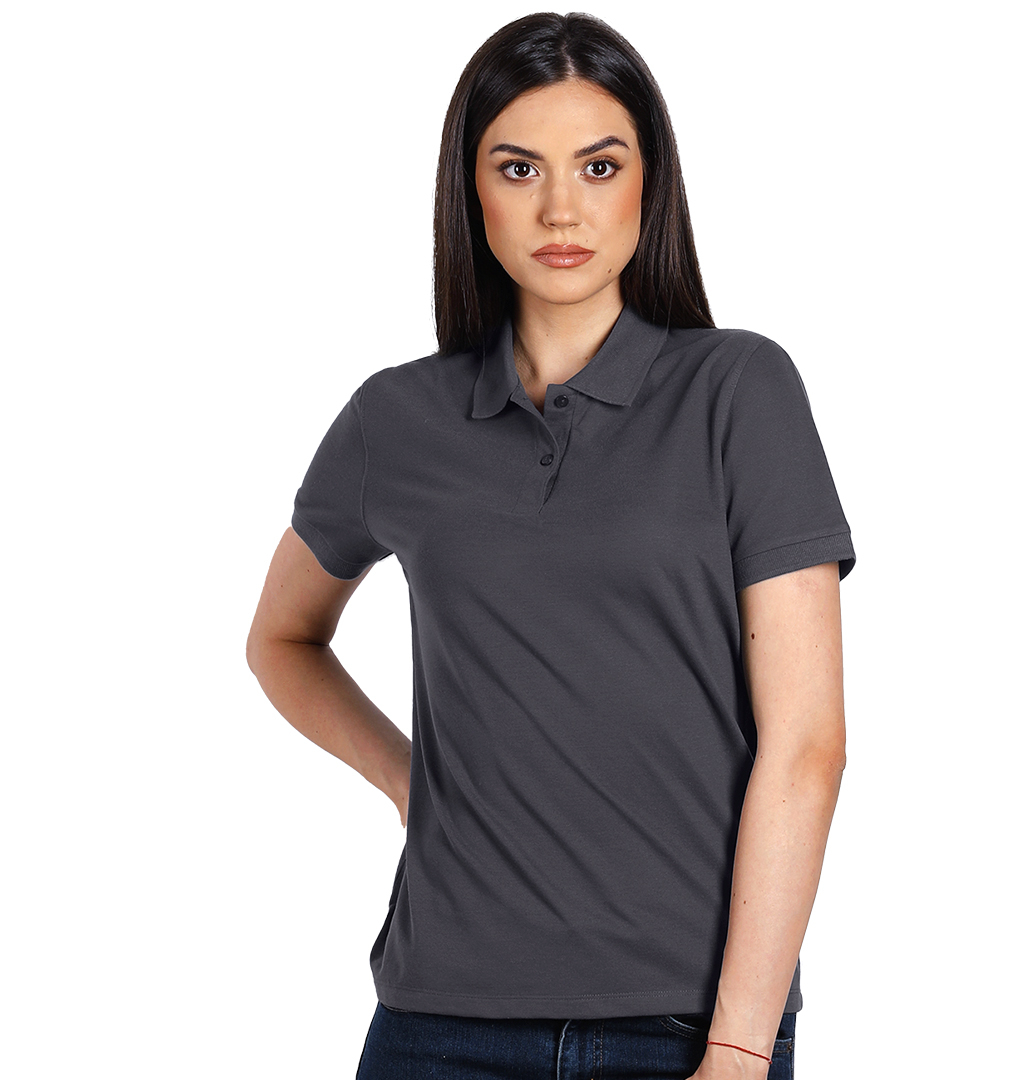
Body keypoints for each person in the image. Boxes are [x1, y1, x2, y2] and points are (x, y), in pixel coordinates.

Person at [246, 12, 855, 1080]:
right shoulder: (396, 421)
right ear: (470, 189)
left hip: (684, 1024)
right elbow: (281, 640)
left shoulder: (739, 392)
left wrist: (739, 1046)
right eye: (519, 167)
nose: (561, 208)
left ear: (649, 184)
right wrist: (411, 780)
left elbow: (806, 744)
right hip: (438, 1021)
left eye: (599, 166)